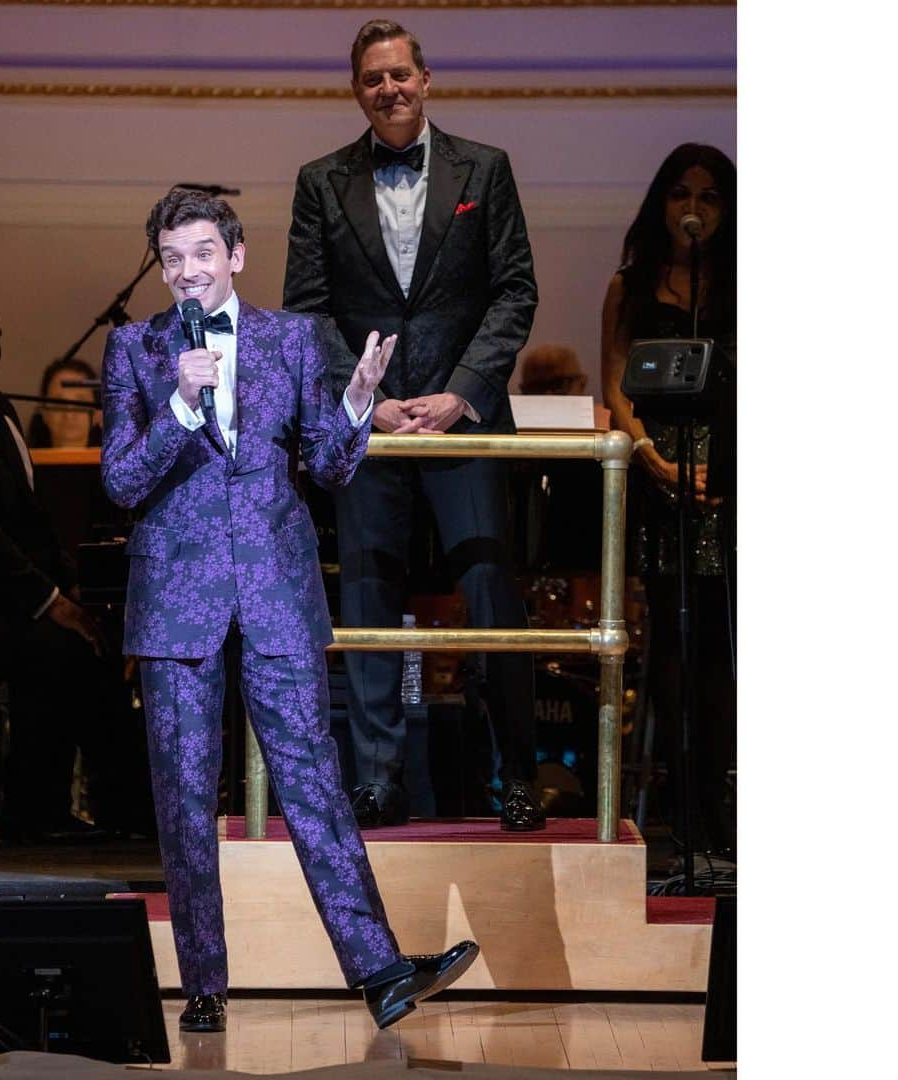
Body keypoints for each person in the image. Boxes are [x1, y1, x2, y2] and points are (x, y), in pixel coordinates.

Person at [101, 187, 478, 1034]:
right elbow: (121, 480)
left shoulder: (290, 339)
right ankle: (203, 983)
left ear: (235, 256)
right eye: (174, 260)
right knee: (185, 796)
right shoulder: (137, 350)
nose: (189, 271)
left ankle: (379, 972)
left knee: (314, 783)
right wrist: (178, 410)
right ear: (162, 270)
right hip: (176, 601)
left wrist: (356, 403)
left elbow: (331, 467)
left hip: (275, 589)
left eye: (204, 253)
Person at [283, 19, 542, 831]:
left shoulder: (485, 169)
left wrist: (461, 392)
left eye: (400, 74)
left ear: (426, 79)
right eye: (372, 79)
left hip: (464, 422)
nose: (388, 89)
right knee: (365, 595)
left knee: (490, 592)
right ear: (355, 90)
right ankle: (378, 782)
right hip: (373, 421)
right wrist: (370, 398)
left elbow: (514, 292)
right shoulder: (320, 180)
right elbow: (308, 310)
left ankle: (518, 779)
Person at [599, 143, 736, 859]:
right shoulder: (632, 285)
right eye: (681, 193)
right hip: (662, 481)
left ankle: (724, 810)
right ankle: (680, 815)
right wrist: (649, 450)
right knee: (676, 648)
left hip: (735, 483)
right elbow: (616, 383)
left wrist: (730, 467)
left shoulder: (746, 282)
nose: (694, 208)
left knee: (726, 651)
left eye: (709, 197)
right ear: (661, 202)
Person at [0, 294, 113, 844]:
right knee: (57, 650)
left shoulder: (0, 407)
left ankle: (123, 809)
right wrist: (50, 601)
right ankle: (31, 814)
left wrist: (72, 584)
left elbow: (34, 518)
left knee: (102, 641)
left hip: (24, 591)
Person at [26, 356, 103, 449]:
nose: (69, 414)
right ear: (44, 413)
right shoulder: (22, 462)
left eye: (80, 403)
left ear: (96, 414)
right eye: (59, 403)